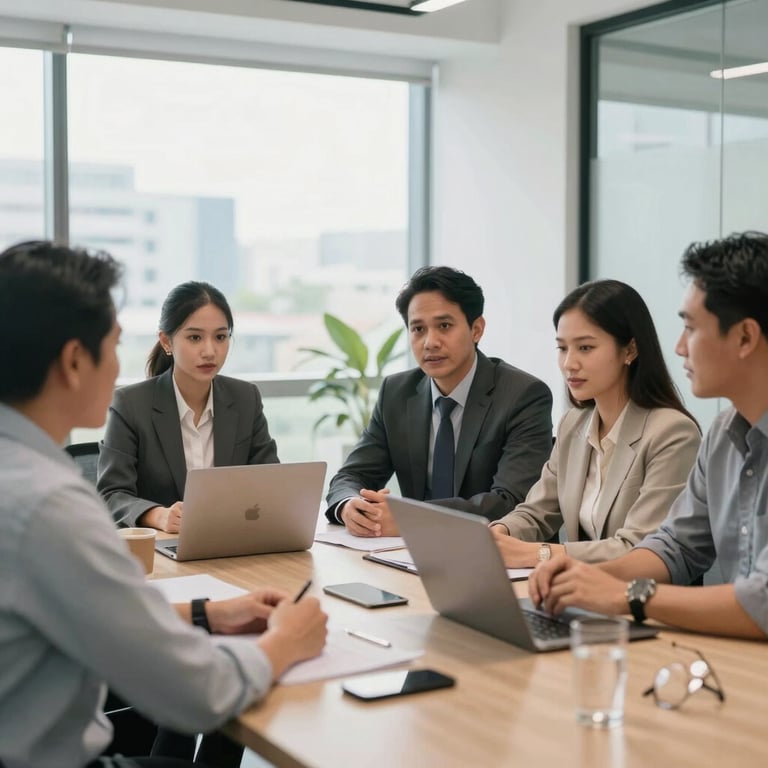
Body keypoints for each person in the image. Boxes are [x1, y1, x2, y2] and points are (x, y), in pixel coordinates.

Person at [0, 240, 328, 768]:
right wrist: (286, 642)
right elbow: (199, 693)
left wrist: (207, 613)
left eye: (220, 337)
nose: (119, 364)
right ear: (74, 361)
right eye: (114, 344)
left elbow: (94, 608)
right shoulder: (49, 504)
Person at [530, 231, 768, 640]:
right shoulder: (723, 434)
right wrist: (582, 577)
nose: (678, 348)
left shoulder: (673, 430)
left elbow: (762, 600)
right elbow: (675, 545)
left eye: (691, 328)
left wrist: (627, 595)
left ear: (745, 337)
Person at [326, 265, 554, 537]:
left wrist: (411, 518)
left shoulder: (523, 395)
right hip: (411, 555)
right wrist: (350, 505)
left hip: (498, 554)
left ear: (476, 329)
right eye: (418, 329)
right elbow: (350, 477)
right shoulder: (397, 393)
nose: (430, 342)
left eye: (444, 326)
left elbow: (511, 500)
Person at [491, 280, 701, 567]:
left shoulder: (672, 433)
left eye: (585, 348)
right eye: (562, 348)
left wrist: (541, 554)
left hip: (642, 602)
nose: (569, 363)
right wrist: (499, 533)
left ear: (630, 350)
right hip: (582, 594)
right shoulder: (573, 425)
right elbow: (536, 512)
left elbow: (640, 548)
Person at [97, 281, 278, 531]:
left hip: (233, 540)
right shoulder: (131, 405)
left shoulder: (246, 398)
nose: (209, 351)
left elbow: (272, 482)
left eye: (221, 337)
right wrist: (158, 515)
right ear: (166, 342)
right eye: (195, 337)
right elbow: (111, 494)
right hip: (164, 551)